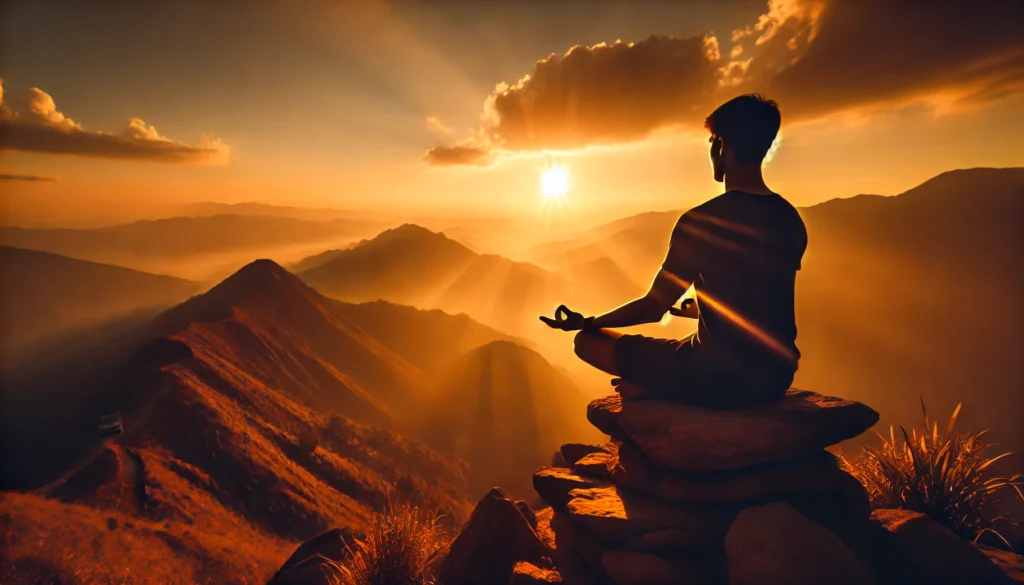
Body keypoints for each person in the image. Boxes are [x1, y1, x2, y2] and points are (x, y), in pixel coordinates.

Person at [540, 94, 807, 409]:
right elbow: (767, 295)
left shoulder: (701, 221)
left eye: (712, 141)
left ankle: (652, 387)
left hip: (718, 378)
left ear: (720, 145)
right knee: (684, 348)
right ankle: (654, 384)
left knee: (586, 343)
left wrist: (588, 322)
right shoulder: (789, 218)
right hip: (775, 377)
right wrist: (704, 311)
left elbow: (653, 308)